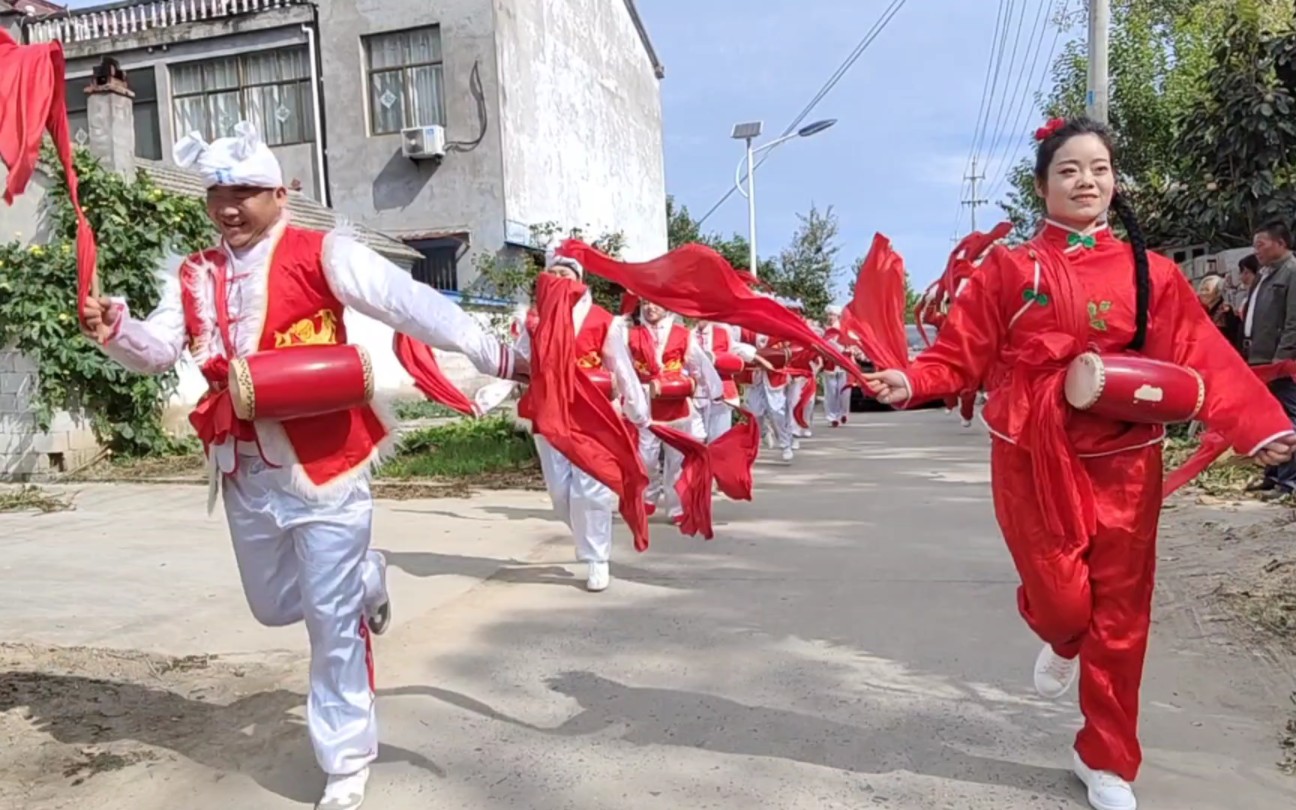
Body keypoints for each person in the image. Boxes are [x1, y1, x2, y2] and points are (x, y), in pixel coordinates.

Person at [81, 122, 527, 810]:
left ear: (279, 193)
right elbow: (161, 352)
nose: (229, 207)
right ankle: (366, 578)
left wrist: (488, 353)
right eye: (217, 194)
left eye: (245, 193)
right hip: (244, 468)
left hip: (329, 466)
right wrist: (115, 331)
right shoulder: (194, 273)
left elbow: (407, 302)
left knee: (326, 617)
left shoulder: (325, 252)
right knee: (271, 608)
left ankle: (346, 760)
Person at [863, 117, 1296, 810]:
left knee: (1122, 617)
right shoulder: (1008, 270)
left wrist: (1259, 426)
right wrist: (911, 382)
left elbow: (1203, 357)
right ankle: (1062, 636)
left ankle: (1106, 757)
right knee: (1066, 601)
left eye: (1098, 168)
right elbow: (960, 352)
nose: (1086, 180)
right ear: (1043, 186)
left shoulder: (1148, 272)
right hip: (1032, 456)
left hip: (1127, 459)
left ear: (1113, 180)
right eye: (1069, 170)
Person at [515, 257, 648, 592]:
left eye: (567, 274)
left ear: (580, 281)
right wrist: (484, 398)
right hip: (550, 416)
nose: (559, 279)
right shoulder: (534, 322)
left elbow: (620, 368)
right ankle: (588, 536)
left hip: (592, 417)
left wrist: (638, 409)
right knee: (561, 494)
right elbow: (518, 365)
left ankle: (597, 559)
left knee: (591, 490)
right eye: (554, 273)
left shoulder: (603, 321)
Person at [628, 300, 722, 522]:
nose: (650, 308)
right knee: (646, 458)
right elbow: (623, 366)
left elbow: (699, 364)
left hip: (676, 403)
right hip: (645, 401)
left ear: (666, 307)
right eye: (646, 303)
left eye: (656, 304)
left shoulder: (683, 334)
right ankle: (650, 492)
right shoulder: (632, 334)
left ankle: (676, 507)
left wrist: (712, 390)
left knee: (676, 459)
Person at [1241, 222, 1296, 496]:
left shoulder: (1292, 272)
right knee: (1267, 418)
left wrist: (1281, 359)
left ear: (1281, 243)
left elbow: (1293, 322)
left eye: (1261, 244)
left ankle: (1289, 481)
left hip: (1279, 363)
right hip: (1258, 359)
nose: (1256, 250)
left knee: (1287, 420)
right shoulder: (1265, 273)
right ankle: (1272, 475)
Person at [694, 320, 757, 442]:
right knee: (695, 441)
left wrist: (759, 357)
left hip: (722, 396)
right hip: (695, 397)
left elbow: (737, 350)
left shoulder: (722, 332)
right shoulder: (687, 335)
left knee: (718, 441)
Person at [822, 306, 853, 427]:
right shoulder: (824, 331)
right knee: (831, 392)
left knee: (844, 392)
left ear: (838, 317)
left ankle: (843, 413)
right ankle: (832, 416)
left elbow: (850, 343)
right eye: (828, 315)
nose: (830, 317)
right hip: (830, 364)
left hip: (843, 363)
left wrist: (849, 350)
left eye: (832, 315)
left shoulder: (844, 329)